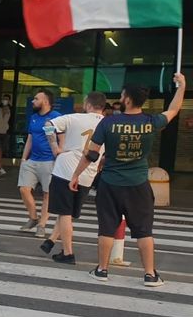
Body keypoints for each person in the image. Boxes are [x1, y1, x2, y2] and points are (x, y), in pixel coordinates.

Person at [74, 72, 186, 286]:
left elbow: (92, 154)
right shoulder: (151, 122)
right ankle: (150, 274)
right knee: (144, 230)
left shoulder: (108, 124)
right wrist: (182, 87)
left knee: (106, 228)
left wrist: (76, 175)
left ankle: (102, 270)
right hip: (138, 185)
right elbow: (173, 110)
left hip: (110, 184)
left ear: (126, 99)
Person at [39, 92, 106, 264]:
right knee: (66, 213)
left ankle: (68, 253)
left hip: (65, 170)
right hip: (88, 174)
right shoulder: (108, 124)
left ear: (87, 104)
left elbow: (48, 124)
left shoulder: (74, 118)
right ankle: (52, 241)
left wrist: (54, 146)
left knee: (64, 213)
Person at [18, 89, 60, 236]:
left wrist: (59, 156)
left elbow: (63, 137)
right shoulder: (34, 117)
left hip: (49, 160)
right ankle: (33, 217)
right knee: (24, 188)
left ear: (46, 101)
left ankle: (42, 224)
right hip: (33, 159)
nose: (32, 101)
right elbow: (30, 138)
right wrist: (24, 158)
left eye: (36, 99)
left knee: (47, 194)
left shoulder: (56, 117)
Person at [0, 95, 12, 175]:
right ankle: (0, 167)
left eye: (6, 99)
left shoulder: (10, 109)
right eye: (4, 99)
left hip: (5, 132)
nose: (5, 100)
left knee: (1, 150)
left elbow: (11, 121)